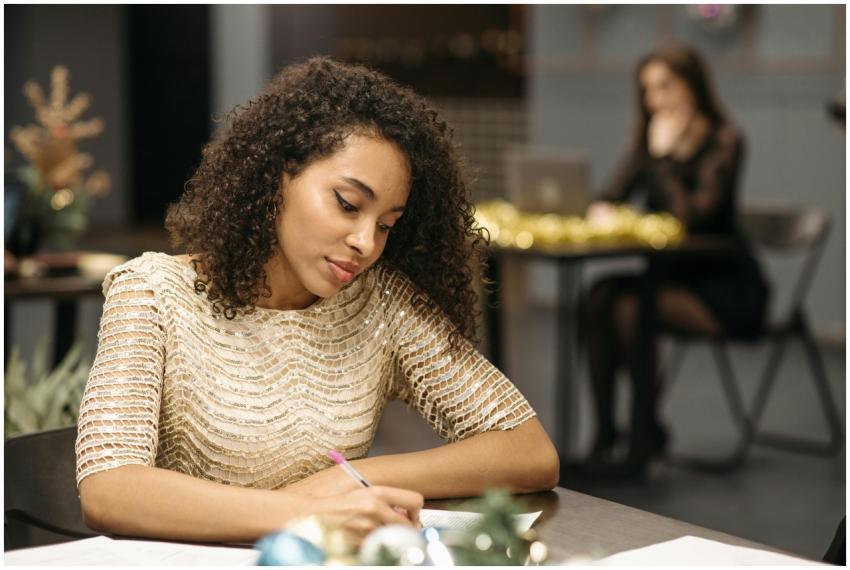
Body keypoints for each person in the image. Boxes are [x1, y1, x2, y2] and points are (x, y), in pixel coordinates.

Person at [74, 57, 559, 542]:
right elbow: (109, 489)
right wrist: (303, 513)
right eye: (348, 205)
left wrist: (354, 478)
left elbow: (529, 452)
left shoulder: (381, 303)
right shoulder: (153, 293)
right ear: (279, 174)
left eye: (387, 224)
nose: (366, 242)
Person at [581, 43, 768, 479]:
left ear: (693, 86)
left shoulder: (725, 140)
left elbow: (693, 217)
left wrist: (662, 158)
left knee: (629, 308)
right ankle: (607, 434)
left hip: (724, 288)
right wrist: (604, 206)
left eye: (665, 86)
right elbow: (610, 195)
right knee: (597, 296)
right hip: (667, 278)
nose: (655, 100)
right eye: (647, 89)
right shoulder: (650, 141)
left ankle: (641, 440)